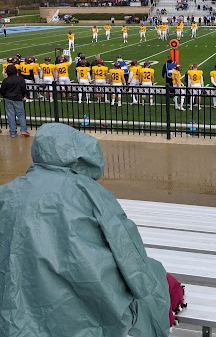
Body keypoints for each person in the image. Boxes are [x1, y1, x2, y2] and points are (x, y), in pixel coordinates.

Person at [0, 123, 171, 336]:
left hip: (16, 312)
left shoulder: (7, 192)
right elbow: (129, 254)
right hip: (84, 306)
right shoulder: (89, 192)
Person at [0, 64, 30, 137]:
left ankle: (12, 132)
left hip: (8, 98)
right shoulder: (20, 79)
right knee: (21, 114)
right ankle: (24, 130)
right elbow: (23, 89)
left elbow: (2, 90)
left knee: (10, 115)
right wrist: (24, 95)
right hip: (18, 98)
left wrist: (5, 95)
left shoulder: (6, 80)